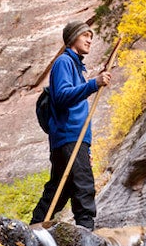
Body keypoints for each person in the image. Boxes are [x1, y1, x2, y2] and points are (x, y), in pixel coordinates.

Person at [30, 20, 111, 230]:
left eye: (91, 36)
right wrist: (94, 83)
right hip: (69, 136)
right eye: (86, 35)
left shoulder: (75, 67)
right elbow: (62, 97)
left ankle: (31, 231)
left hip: (71, 138)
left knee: (59, 188)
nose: (90, 40)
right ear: (73, 37)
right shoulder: (63, 63)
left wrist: (86, 147)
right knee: (83, 184)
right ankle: (87, 235)